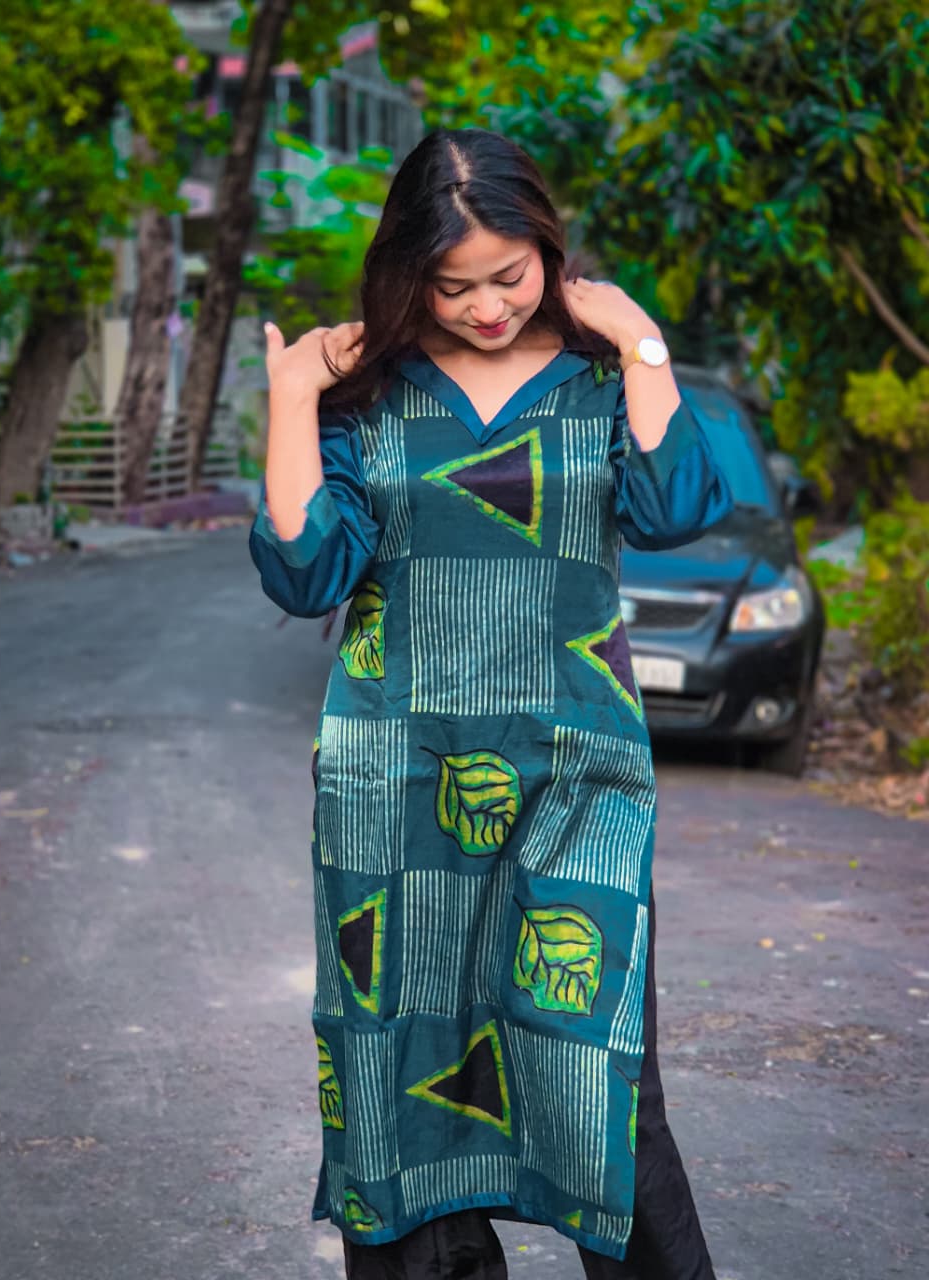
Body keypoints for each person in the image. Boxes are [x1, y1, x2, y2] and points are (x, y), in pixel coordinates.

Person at [250, 127, 732, 1279]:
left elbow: (676, 507)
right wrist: (292, 394)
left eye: (508, 276)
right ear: (408, 273)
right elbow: (306, 569)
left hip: (579, 777)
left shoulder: (597, 378)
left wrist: (641, 341)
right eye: (451, 285)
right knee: (397, 1062)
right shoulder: (369, 395)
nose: (485, 307)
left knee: (597, 1060)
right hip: (395, 787)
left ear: (548, 252)